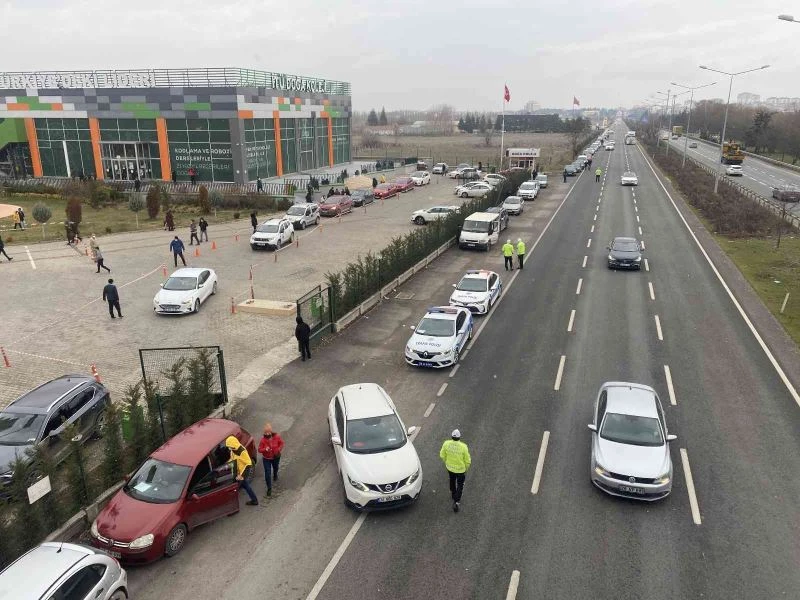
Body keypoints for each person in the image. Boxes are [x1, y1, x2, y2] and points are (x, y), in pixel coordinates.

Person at [439, 429, 471, 513]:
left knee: (452, 480)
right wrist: (466, 469)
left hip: (450, 468)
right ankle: (456, 501)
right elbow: (467, 461)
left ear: (451, 437)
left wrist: (446, 462)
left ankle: (453, 494)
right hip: (460, 470)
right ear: (459, 437)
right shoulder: (463, 446)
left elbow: (442, 455)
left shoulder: (446, 443)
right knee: (460, 485)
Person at [225, 436, 259, 506]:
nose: (229, 448)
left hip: (241, 474)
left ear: (233, 445)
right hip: (237, 473)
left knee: (234, 489)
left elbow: (248, 464)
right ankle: (254, 500)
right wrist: (227, 464)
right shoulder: (233, 450)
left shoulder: (242, 452)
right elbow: (232, 458)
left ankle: (232, 506)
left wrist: (241, 476)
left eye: (229, 446)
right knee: (246, 486)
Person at [258, 423, 285, 498]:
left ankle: (275, 474)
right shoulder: (263, 440)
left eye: (268, 432)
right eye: (266, 433)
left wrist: (278, 450)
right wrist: (265, 449)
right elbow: (259, 450)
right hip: (266, 459)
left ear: (271, 431)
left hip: (276, 457)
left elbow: (282, 443)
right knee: (267, 473)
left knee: (276, 467)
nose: (267, 434)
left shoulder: (276, 437)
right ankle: (269, 488)